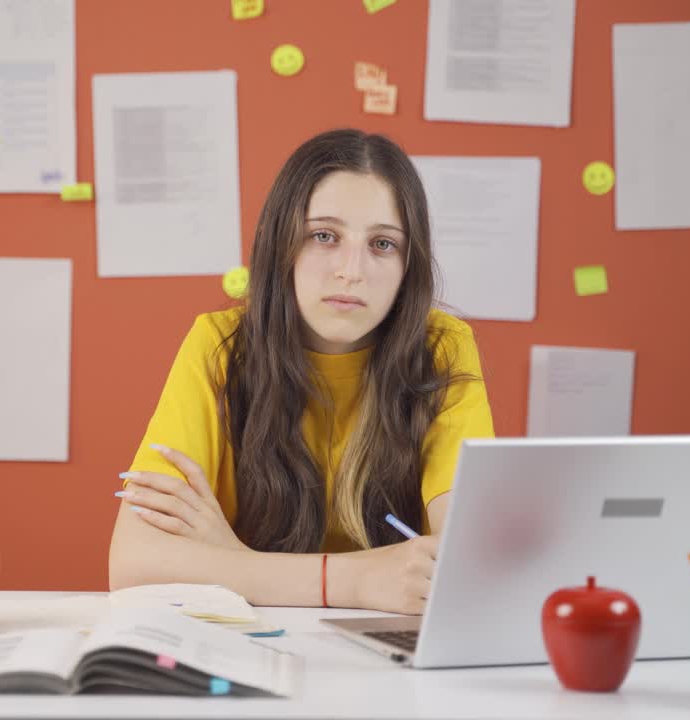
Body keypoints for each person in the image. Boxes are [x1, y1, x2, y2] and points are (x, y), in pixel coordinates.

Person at [107, 129, 494, 615]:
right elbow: (134, 563)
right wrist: (354, 581)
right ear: (281, 243)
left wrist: (232, 562)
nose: (351, 270)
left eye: (382, 244)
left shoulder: (443, 347)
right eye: (324, 236)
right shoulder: (219, 347)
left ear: (407, 265)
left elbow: (472, 559)